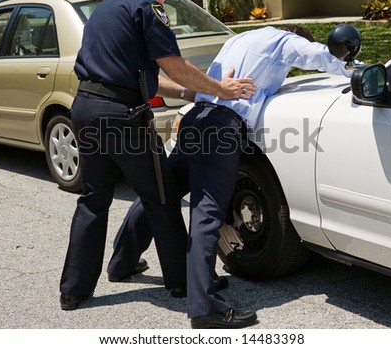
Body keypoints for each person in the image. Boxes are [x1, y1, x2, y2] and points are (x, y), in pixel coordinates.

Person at [108, 24, 359, 328]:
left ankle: (121, 262)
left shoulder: (240, 39)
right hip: (222, 128)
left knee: (163, 191)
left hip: (195, 119)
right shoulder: (283, 40)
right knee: (207, 214)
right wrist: (357, 69)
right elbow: (319, 56)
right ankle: (204, 307)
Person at [59, 0, 255, 311]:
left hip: (86, 109)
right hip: (122, 116)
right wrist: (220, 88)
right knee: (162, 196)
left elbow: (140, 76)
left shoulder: (104, 9)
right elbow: (174, 64)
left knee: (93, 199)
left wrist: (188, 93)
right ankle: (182, 282)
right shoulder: (147, 9)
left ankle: (73, 290)